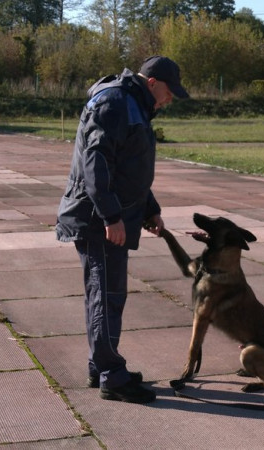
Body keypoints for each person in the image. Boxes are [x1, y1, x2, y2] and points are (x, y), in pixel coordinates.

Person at [56, 56, 189, 404]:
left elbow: (129, 166)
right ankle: (112, 376)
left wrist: (150, 209)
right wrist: (111, 217)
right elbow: (95, 164)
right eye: (169, 91)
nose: (170, 98)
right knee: (107, 295)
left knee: (106, 294)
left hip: (109, 216)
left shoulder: (133, 105)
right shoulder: (117, 103)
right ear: (151, 83)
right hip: (98, 220)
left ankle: (100, 365)